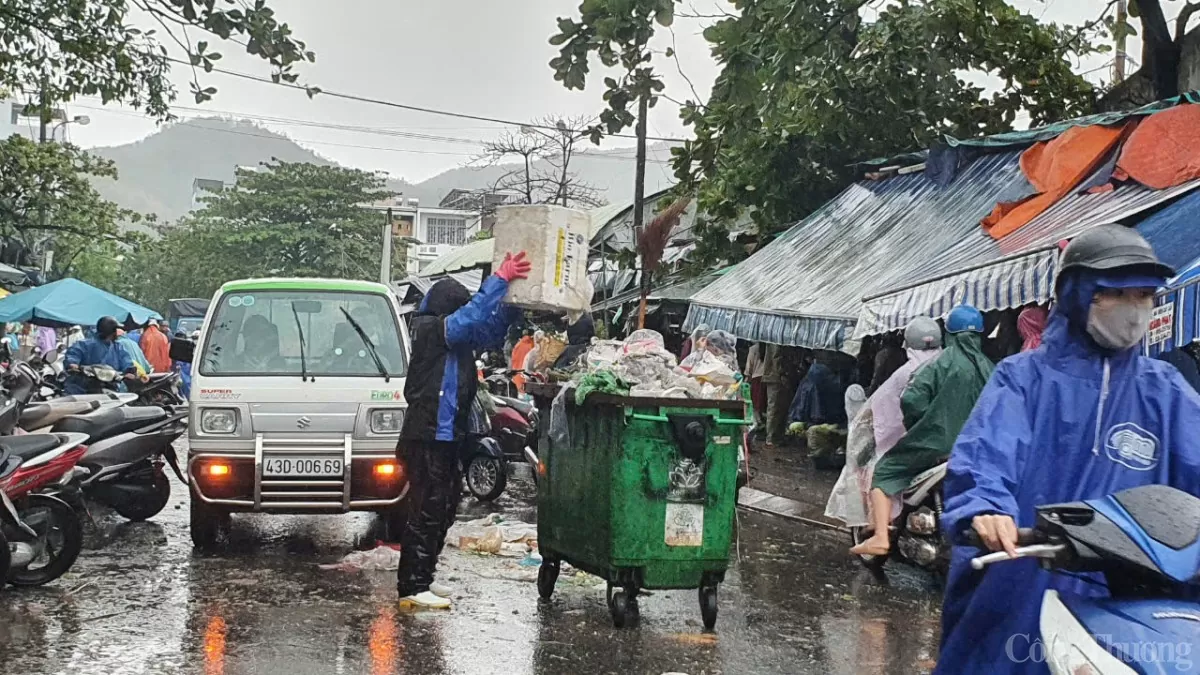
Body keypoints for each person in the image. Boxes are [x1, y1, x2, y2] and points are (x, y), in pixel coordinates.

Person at [935, 224, 1200, 674]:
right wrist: (985, 509)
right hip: (1021, 571)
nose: (1134, 310)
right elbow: (987, 455)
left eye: (1144, 295)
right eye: (1116, 294)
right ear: (1078, 294)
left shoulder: (1167, 392)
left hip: (1128, 596)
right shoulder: (1023, 378)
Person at [396, 250, 530, 610]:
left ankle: (424, 578)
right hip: (425, 437)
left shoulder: (458, 340)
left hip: (447, 437)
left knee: (445, 509)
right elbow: (469, 318)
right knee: (426, 511)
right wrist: (499, 279)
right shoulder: (429, 330)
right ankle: (412, 586)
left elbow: (486, 328)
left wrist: (514, 303)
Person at [851, 305, 993, 556]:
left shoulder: (941, 364)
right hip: (977, 449)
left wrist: (922, 425)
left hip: (935, 444)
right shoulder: (991, 368)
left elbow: (912, 401)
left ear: (949, 333)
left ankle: (881, 537)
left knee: (884, 472)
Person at [63, 316, 137, 395]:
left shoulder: (117, 347)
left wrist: (129, 371)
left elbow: (126, 360)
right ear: (111, 331)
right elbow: (73, 354)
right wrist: (73, 364)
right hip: (83, 386)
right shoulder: (85, 344)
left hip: (110, 385)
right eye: (115, 330)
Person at [762, 343, 786, 448]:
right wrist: (782, 373)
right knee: (774, 407)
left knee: (776, 407)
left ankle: (775, 436)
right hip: (775, 377)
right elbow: (776, 357)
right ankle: (771, 437)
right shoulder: (776, 341)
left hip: (773, 376)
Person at [745, 343, 768, 429]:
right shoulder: (772, 348)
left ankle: (759, 425)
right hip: (768, 379)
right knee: (766, 405)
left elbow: (749, 368)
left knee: (756, 405)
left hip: (756, 379)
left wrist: (747, 378)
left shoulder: (753, 349)